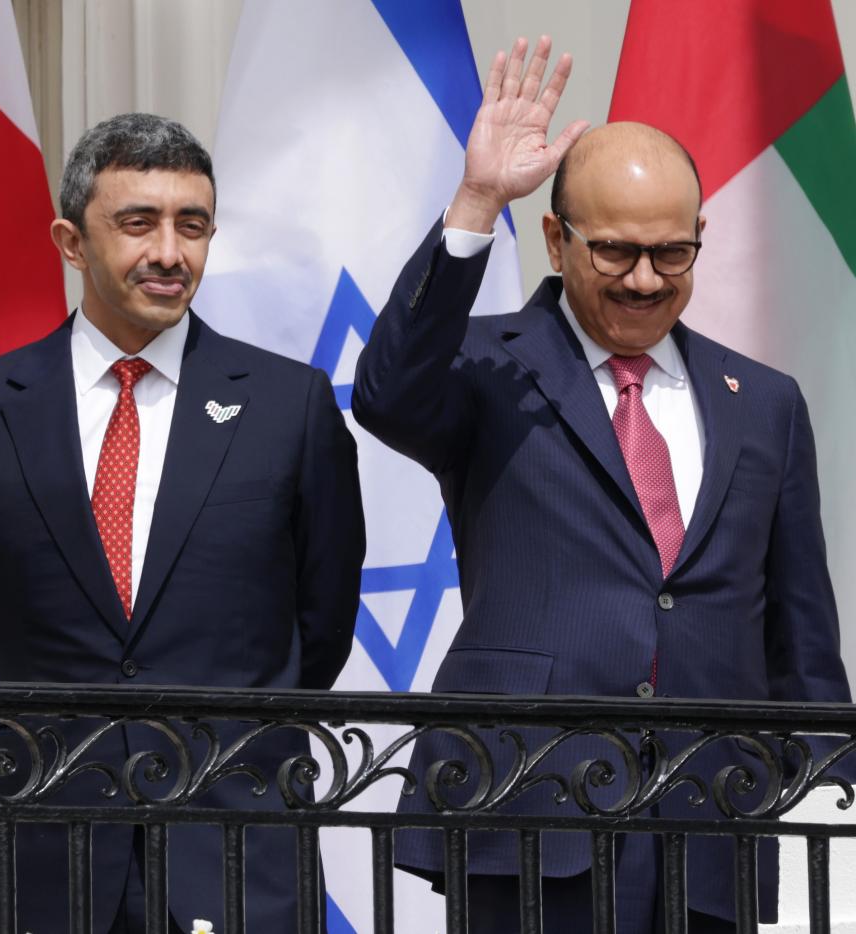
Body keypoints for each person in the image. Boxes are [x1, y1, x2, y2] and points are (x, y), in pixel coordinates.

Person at [351, 37, 850, 933]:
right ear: (556, 237)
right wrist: (475, 203)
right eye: (617, 252)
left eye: (673, 254)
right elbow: (386, 393)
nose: (647, 281)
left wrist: (829, 789)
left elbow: (799, 633)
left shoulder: (764, 404)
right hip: (529, 803)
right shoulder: (483, 366)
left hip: (710, 820)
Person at [0, 113, 366, 933]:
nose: (170, 253)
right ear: (70, 241)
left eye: (192, 226)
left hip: (234, 848)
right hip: (38, 853)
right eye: (138, 223)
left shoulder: (289, 406)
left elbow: (321, 619)